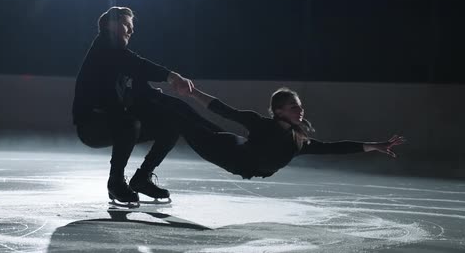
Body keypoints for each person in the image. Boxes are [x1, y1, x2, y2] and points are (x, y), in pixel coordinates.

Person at [72, 6, 193, 205]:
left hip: (113, 120)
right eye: (127, 25)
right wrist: (172, 77)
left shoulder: (118, 54)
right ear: (111, 24)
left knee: (170, 125)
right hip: (92, 125)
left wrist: (153, 96)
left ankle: (142, 179)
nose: (131, 30)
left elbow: (135, 82)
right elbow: (138, 65)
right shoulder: (104, 46)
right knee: (129, 123)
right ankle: (116, 182)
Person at [151, 86, 405, 179]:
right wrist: (193, 92)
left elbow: (333, 146)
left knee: (187, 119)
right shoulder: (261, 124)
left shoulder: (299, 141)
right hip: (225, 151)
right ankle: (151, 98)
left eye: (301, 107)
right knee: (181, 117)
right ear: (279, 111)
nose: (300, 111)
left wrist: (373, 145)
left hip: (234, 153)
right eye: (294, 107)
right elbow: (224, 110)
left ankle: (161, 100)